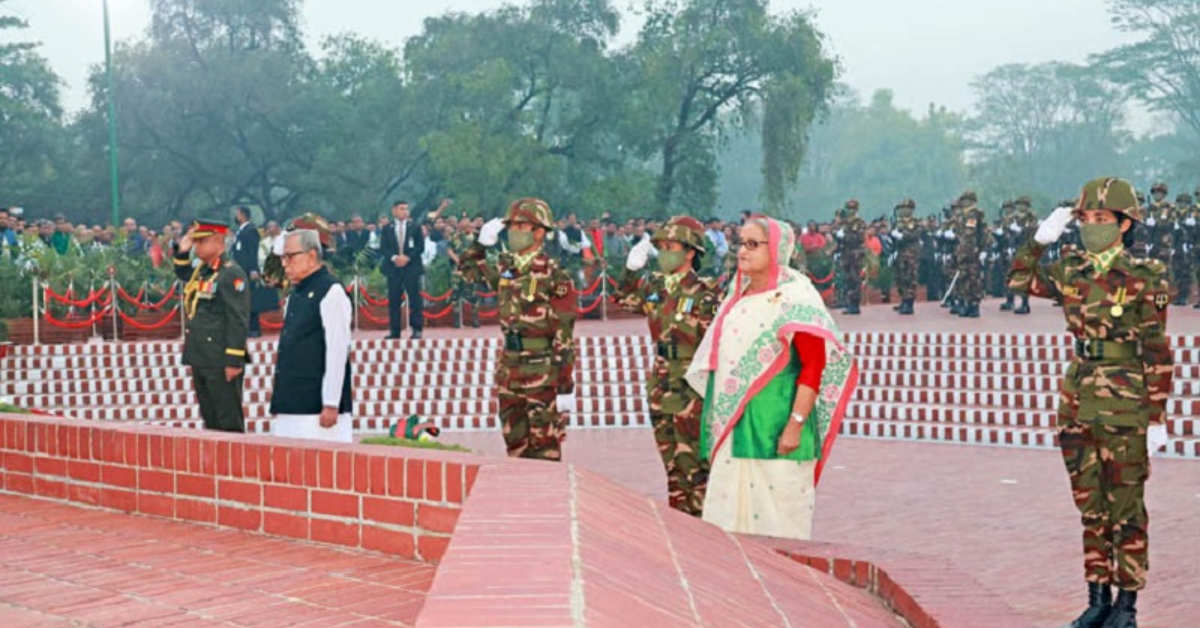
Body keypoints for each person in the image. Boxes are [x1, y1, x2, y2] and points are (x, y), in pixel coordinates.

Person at [1008, 177, 1171, 628]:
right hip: (1078, 399)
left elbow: (1157, 350)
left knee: (1127, 508)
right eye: (1086, 219)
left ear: (1124, 224)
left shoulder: (1146, 276)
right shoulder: (1070, 269)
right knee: (1091, 507)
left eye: (1102, 220)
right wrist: (1038, 242)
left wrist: (1157, 416)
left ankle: (1127, 606)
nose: (1092, 227)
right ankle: (1098, 598)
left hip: (1126, 401)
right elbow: (1018, 278)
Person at [685, 215, 858, 540]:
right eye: (740, 243)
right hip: (736, 430)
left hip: (779, 433)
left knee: (779, 535)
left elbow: (813, 365)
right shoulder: (736, 300)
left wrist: (794, 425)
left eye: (753, 244)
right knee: (727, 532)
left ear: (776, 249)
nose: (742, 252)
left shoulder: (795, 300)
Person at [615, 216, 723, 516]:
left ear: (690, 252)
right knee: (672, 467)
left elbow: (715, 342)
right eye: (660, 247)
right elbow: (622, 299)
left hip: (692, 390)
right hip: (662, 386)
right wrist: (630, 270)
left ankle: (704, 532)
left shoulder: (706, 294)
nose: (663, 253)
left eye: (670, 246)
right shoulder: (654, 287)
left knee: (696, 470)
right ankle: (681, 529)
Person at [457, 198, 577, 461]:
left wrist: (566, 385)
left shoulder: (555, 275)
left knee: (544, 449)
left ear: (539, 232)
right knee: (515, 448)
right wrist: (480, 244)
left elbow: (564, 332)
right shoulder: (505, 269)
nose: (513, 232)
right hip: (510, 367)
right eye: (511, 226)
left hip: (542, 368)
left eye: (521, 226)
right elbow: (467, 271)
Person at [268, 229, 353, 443]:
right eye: (283, 258)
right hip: (292, 399)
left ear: (312, 255)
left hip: (317, 405)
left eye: (290, 256)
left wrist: (331, 402)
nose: (285, 264)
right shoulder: (295, 294)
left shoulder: (331, 291)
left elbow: (337, 350)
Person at [173, 220, 250, 433]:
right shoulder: (204, 271)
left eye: (202, 241)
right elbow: (183, 274)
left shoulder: (230, 273)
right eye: (196, 242)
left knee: (228, 419)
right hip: (202, 355)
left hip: (220, 357)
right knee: (211, 418)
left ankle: (235, 462)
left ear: (219, 241)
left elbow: (238, 318)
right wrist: (182, 251)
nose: (197, 247)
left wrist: (233, 359)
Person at [380, 200, 428, 339]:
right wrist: (395, 258)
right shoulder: (387, 228)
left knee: (415, 299)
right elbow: (384, 248)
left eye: (406, 209)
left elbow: (420, 246)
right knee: (394, 299)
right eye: (401, 209)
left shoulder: (415, 226)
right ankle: (395, 330)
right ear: (394, 211)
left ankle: (417, 329)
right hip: (393, 268)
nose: (404, 211)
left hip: (411, 267)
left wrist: (407, 258)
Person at [231, 206, 265, 337]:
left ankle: (254, 328)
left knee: (249, 299)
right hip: (239, 270)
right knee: (241, 299)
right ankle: (245, 327)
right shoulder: (240, 231)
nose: (236, 216)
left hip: (247, 270)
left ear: (243, 215)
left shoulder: (250, 231)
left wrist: (253, 269)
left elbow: (252, 252)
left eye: (238, 214)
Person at [833, 200, 867, 314]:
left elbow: (858, 238)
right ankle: (850, 303)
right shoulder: (846, 223)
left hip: (855, 254)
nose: (849, 211)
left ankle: (855, 304)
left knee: (854, 279)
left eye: (851, 209)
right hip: (846, 254)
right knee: (848, 279)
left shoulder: (859, 223)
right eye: (848, 209)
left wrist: (844, 236)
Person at [891, 199, 922, 315]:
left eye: (905, 208)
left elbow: (913, 235)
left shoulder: (914, 222)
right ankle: (903, 300)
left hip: (911, 254)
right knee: (901, 278)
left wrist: (901, 236)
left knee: (910, 278)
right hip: (900, 253)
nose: (902, 211)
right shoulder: (898, 222)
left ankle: (909, 303)